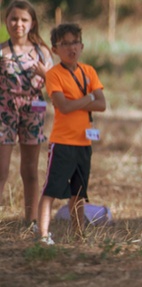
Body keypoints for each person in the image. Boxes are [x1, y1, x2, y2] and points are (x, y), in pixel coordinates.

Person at [36, 23, 107, 245]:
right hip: (62, 142)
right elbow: (63, 107)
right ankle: (43, 235)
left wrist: (83, 102)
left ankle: (79, 235)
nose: (71, 48)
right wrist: (87, 100)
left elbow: (102, 104)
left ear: (82, 45)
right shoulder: (53, 75)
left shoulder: (89, 72)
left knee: (78, 193)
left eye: (75, 42)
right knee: (51, 190)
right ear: (55, 50)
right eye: (64, 44)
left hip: (84, 142)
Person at [0, 0, 52, 227]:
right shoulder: (2, 51)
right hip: (4, 114)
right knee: (1, 169)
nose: (18, 24)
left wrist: (46, 72)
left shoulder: (42, 52)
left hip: (33, 113)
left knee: (30, 169)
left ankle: (31, 220)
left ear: (32, 23)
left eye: (23, 19)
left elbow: (57, 86)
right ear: (6, 21)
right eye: (14, 19)